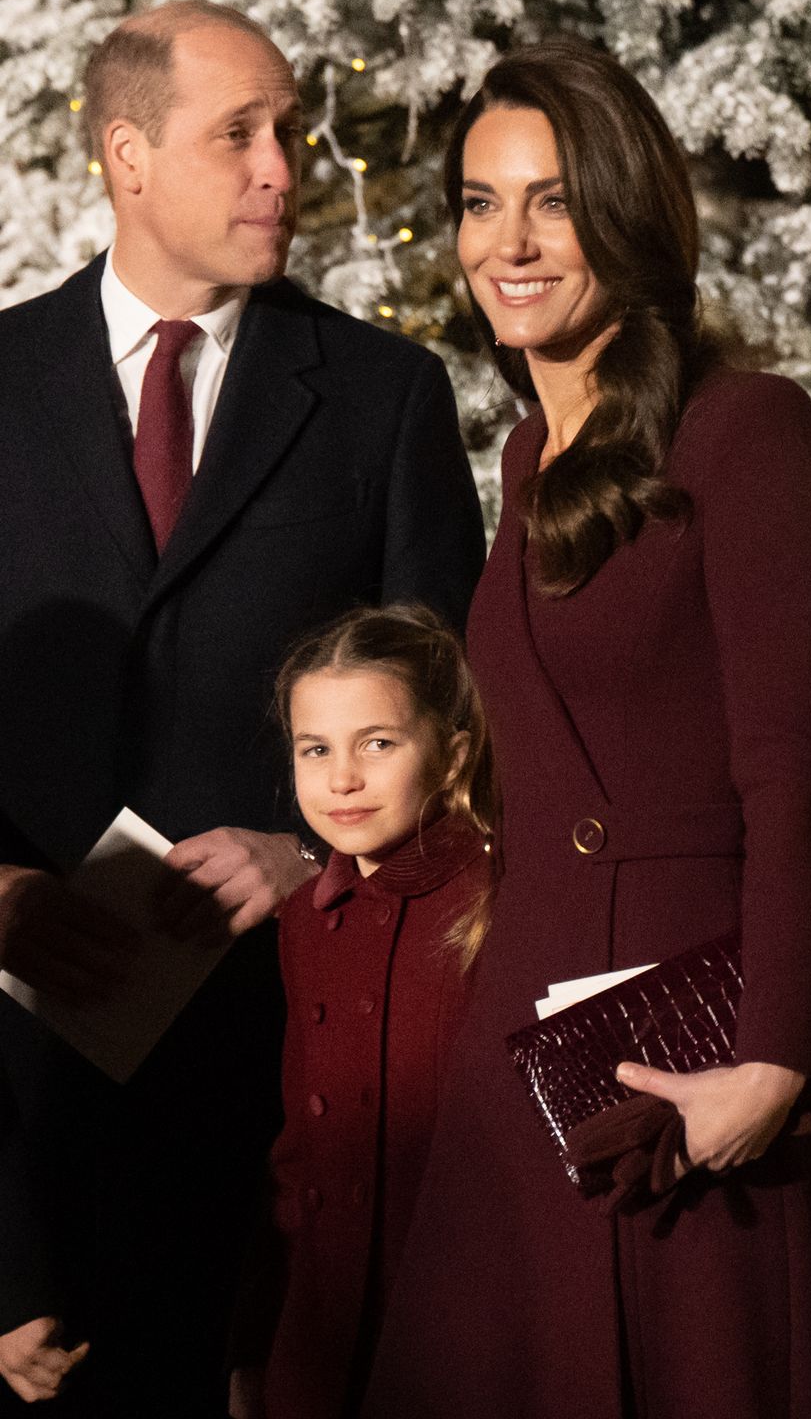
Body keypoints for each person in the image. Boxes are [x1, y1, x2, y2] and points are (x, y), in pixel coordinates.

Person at [360, 41, 811, 1419]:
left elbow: (790, 777)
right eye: (480, 202)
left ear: (628, 217)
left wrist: (771, 1062)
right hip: (523, 1059)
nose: (508, 242)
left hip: (688, 1070)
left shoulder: (745, 428)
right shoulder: (527, 457)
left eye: (552, 201)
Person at [0, 0, 484, 1416]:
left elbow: (456, 704)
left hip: (289, 1091)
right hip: (20, 1113)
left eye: (290, 129)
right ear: (127, 156)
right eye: (242, 134)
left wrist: (307, 850)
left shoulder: (384, 397)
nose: (286, 165)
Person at [227, 604, 494, 1418]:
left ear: (451, 756)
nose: (342, 778)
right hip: (328, 1325)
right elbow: (299, 1153)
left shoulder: (497, 897)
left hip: (465, 1323)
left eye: (377, 743)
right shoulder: (307, 919)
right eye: (316, 750)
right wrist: (257, 1344)